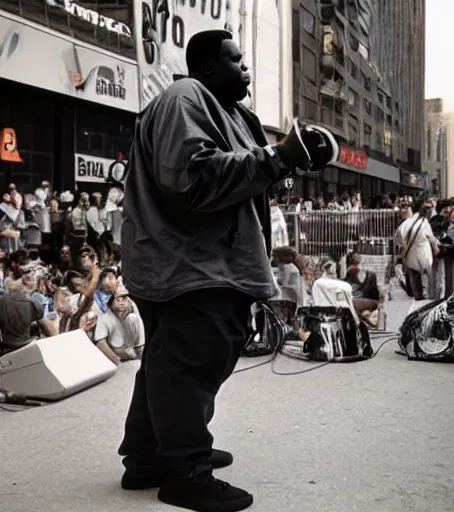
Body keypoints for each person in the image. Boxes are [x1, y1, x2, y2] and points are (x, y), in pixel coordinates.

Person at [118, 29, 331, 512]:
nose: (246, 69)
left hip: (197, 262)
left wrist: (285, 162)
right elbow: (191, 179)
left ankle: (149, 457)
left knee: (167, 364)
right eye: (237, 61)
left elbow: (240, 176)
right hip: (190, 265)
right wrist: (278, 157)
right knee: (190, 366)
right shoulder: (185, 96)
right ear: (209, 66)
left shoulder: (226, 110)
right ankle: (186, 471)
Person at [395, 199, 439, 300]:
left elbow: (398, 238)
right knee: (430, 275)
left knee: (414, 275)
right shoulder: (424, 223)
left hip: (409, 254)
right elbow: (432, 239)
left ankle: (418, 295)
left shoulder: (405, 223)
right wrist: (436, 249)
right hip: (423, 253)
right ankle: (432, 294)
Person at [93, 287, 145, 365]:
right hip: (114, 362)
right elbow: (101, 343)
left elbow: (139, 345)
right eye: (117, 300)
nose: (121, 303)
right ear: (111, 303)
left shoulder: (133, 318)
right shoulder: (104, 319)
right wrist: (117, 362)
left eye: (124, 299)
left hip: (133, 360)